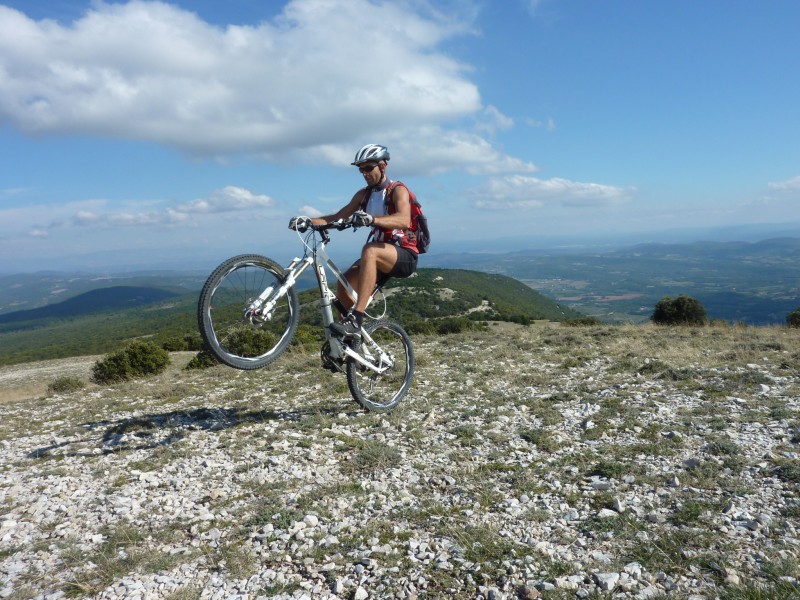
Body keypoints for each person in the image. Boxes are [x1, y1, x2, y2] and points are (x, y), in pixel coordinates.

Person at [289, 144, 419, 337]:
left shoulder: (397, 190)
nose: (364, 173)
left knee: (370, 250)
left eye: (368, 168)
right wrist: (307, 221)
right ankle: (349, 338)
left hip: (404, 254)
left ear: (382, 166)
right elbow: (337, 217)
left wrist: (372, 219)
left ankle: (357, 319)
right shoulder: (363, 194)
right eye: (361, 170)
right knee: (344, 283)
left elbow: (403, 220)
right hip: (379, 255)